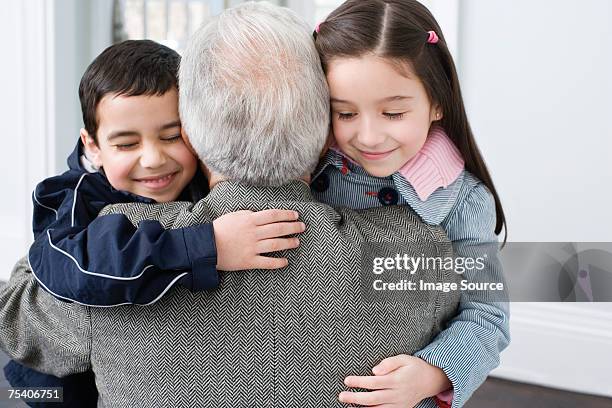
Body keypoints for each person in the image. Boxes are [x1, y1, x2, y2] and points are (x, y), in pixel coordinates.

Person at [0, 3, 461, 406]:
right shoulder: (421, 245)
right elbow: (483, 322)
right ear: (326, 133)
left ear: (192, 135)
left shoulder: (117, 245)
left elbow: (13, 320)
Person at [5, 39, 304, 407]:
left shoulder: (201, 181)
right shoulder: (75, 196)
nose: (153, 158)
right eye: (127, 144)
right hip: (61, 387)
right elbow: (73, 268)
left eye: (171, 136)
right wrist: (207, 246)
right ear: (93, 147)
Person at [311, 1, 510, 406]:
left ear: (437, 102)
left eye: (394, 112)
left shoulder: (463, 201)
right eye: (345, 113)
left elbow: (488, 317)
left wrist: (432, 372)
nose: (368, 136)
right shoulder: (307, 175)